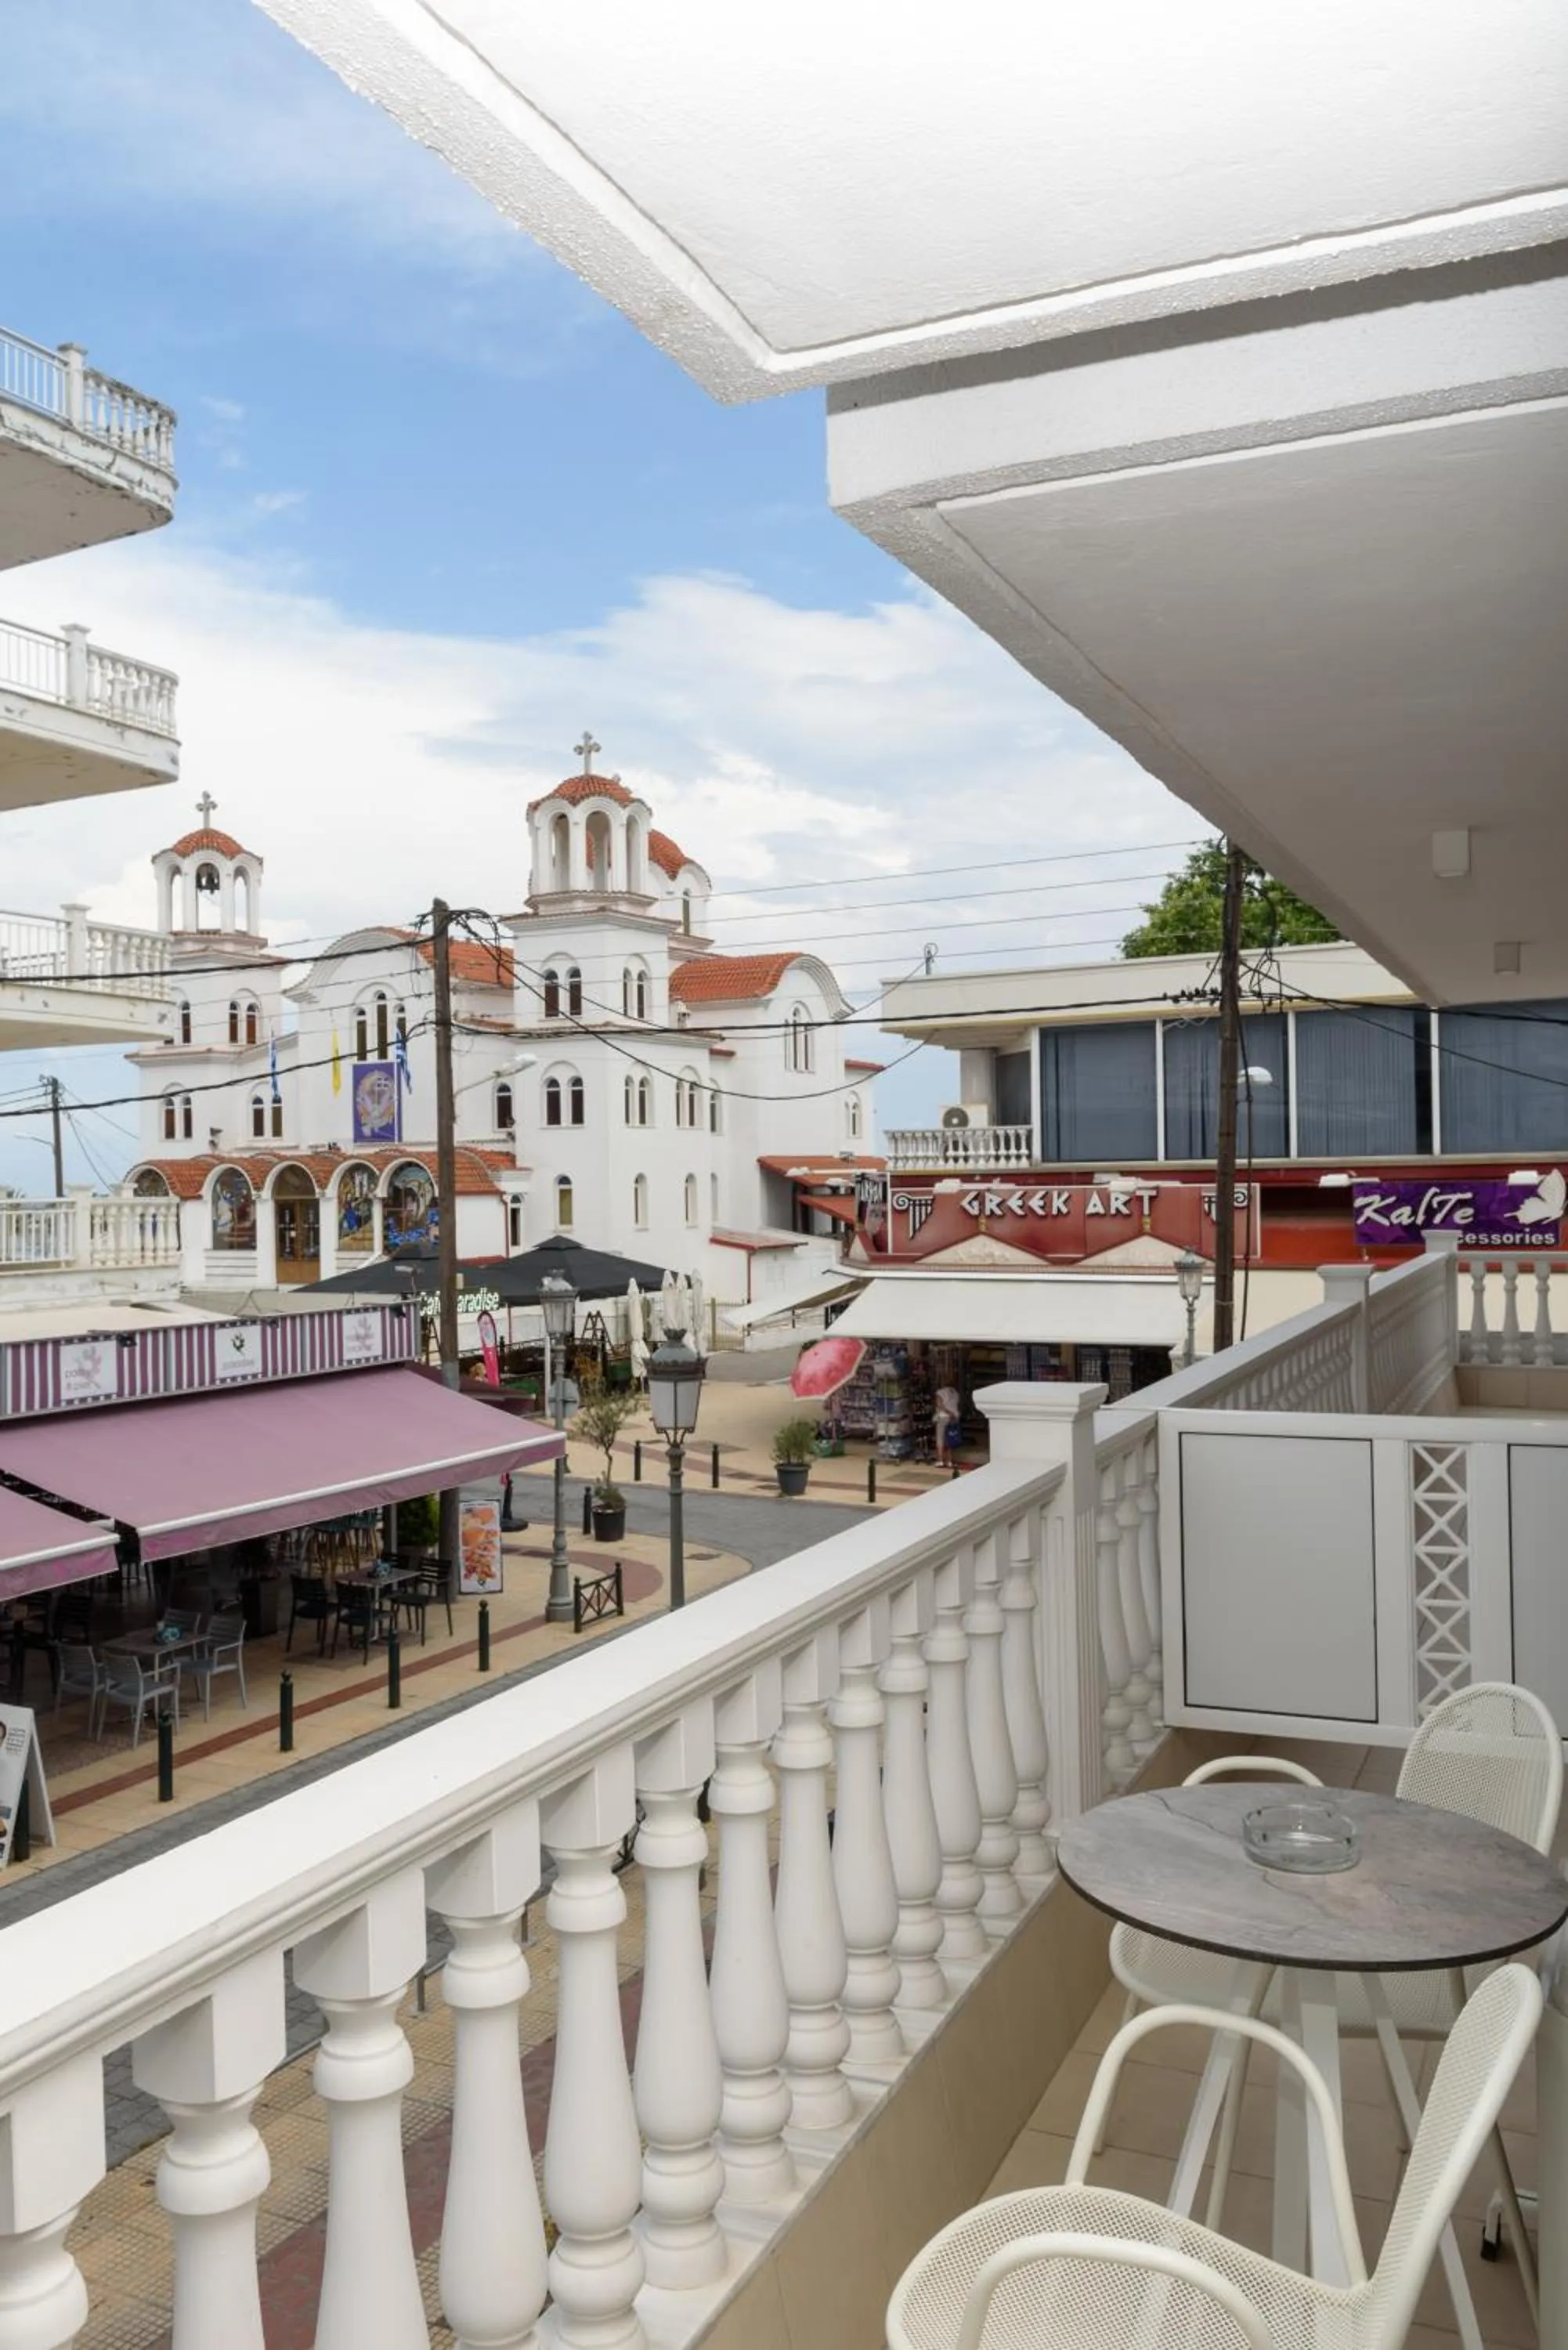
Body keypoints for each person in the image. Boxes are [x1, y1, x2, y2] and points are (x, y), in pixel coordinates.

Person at [934, 1382, 962, 1458]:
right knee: (950, 1438)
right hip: (955, 1418)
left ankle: (940, 1459)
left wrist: (949, 1413)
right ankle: (949, 1460)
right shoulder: (956, 1394)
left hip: (944, 1417)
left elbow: (939, 1405)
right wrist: (953, 1414)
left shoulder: (940, 1392)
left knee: (940, 1438)